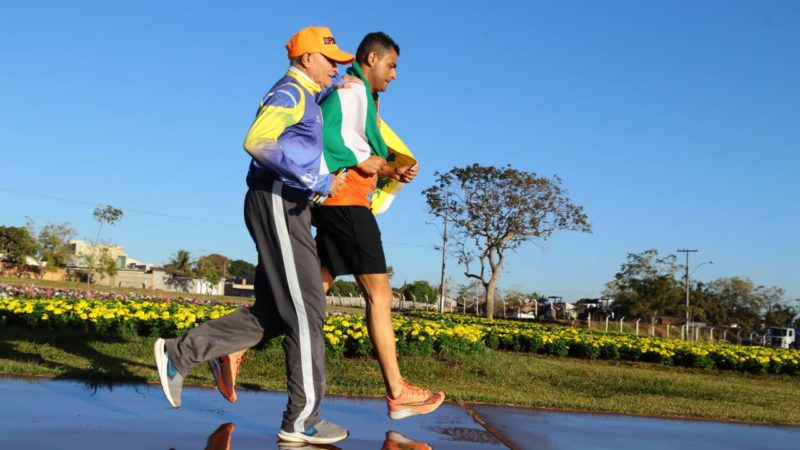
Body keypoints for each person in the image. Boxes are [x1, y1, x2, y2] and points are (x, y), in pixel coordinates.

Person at [153, 26, 354, 446]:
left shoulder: (305, 94)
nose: (336, 68)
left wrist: (336, 91)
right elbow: (257, 140)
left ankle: (181, 354)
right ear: (305, 59)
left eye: (340, 63)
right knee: (306, 311)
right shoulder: (289, 92)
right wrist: (317, 179)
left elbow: (297, 130)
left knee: (276, 313)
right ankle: (302, 420)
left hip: (283, 204)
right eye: (331, 61)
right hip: (280, 201)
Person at [315, 31, 444, 421]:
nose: (395, 75)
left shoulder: (365, 97)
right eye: (392, 66)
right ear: (371, 58)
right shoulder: (351, 91)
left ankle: (230, 349)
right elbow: (332, 142)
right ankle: (398, 391)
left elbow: (362, 147)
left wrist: (393, 164)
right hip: (347, 203)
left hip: (340, 204)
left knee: (312, 292)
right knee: (380, 294)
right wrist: (385, 165)